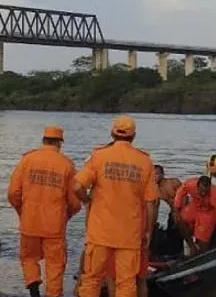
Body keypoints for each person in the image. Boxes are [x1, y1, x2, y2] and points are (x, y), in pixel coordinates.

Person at [74, 115, 159, 297]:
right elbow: (150, 202)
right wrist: (148, 231)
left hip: (99, 232)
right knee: (126, 283)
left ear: (112, 133)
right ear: (133, 136)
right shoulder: (145, 161)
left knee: (91, 279)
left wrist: (87, 201)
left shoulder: (98, 156)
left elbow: (77, 187)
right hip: (129, 234)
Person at [8, 126, 82, 297]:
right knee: (55, 265)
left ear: (43, 140)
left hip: (30, 221)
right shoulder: (67, 164)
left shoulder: (27, 160)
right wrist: (66, 215)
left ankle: (34, 289)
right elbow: (75, 202)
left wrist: (22, 210)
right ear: (60, 143)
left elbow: (13, 193)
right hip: (54, 225)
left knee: (28, 258)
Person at [173, 176, 216, 256]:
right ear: (197, 186)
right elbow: (180, 192)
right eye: (201, 191)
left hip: (208, 212)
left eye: (206, 191)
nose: (203, 193)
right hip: (195, 206)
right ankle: (191, 245)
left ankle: (202, 252)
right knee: (179, 219)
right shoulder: (190, 184)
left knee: (203, 240)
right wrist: (176, 209)